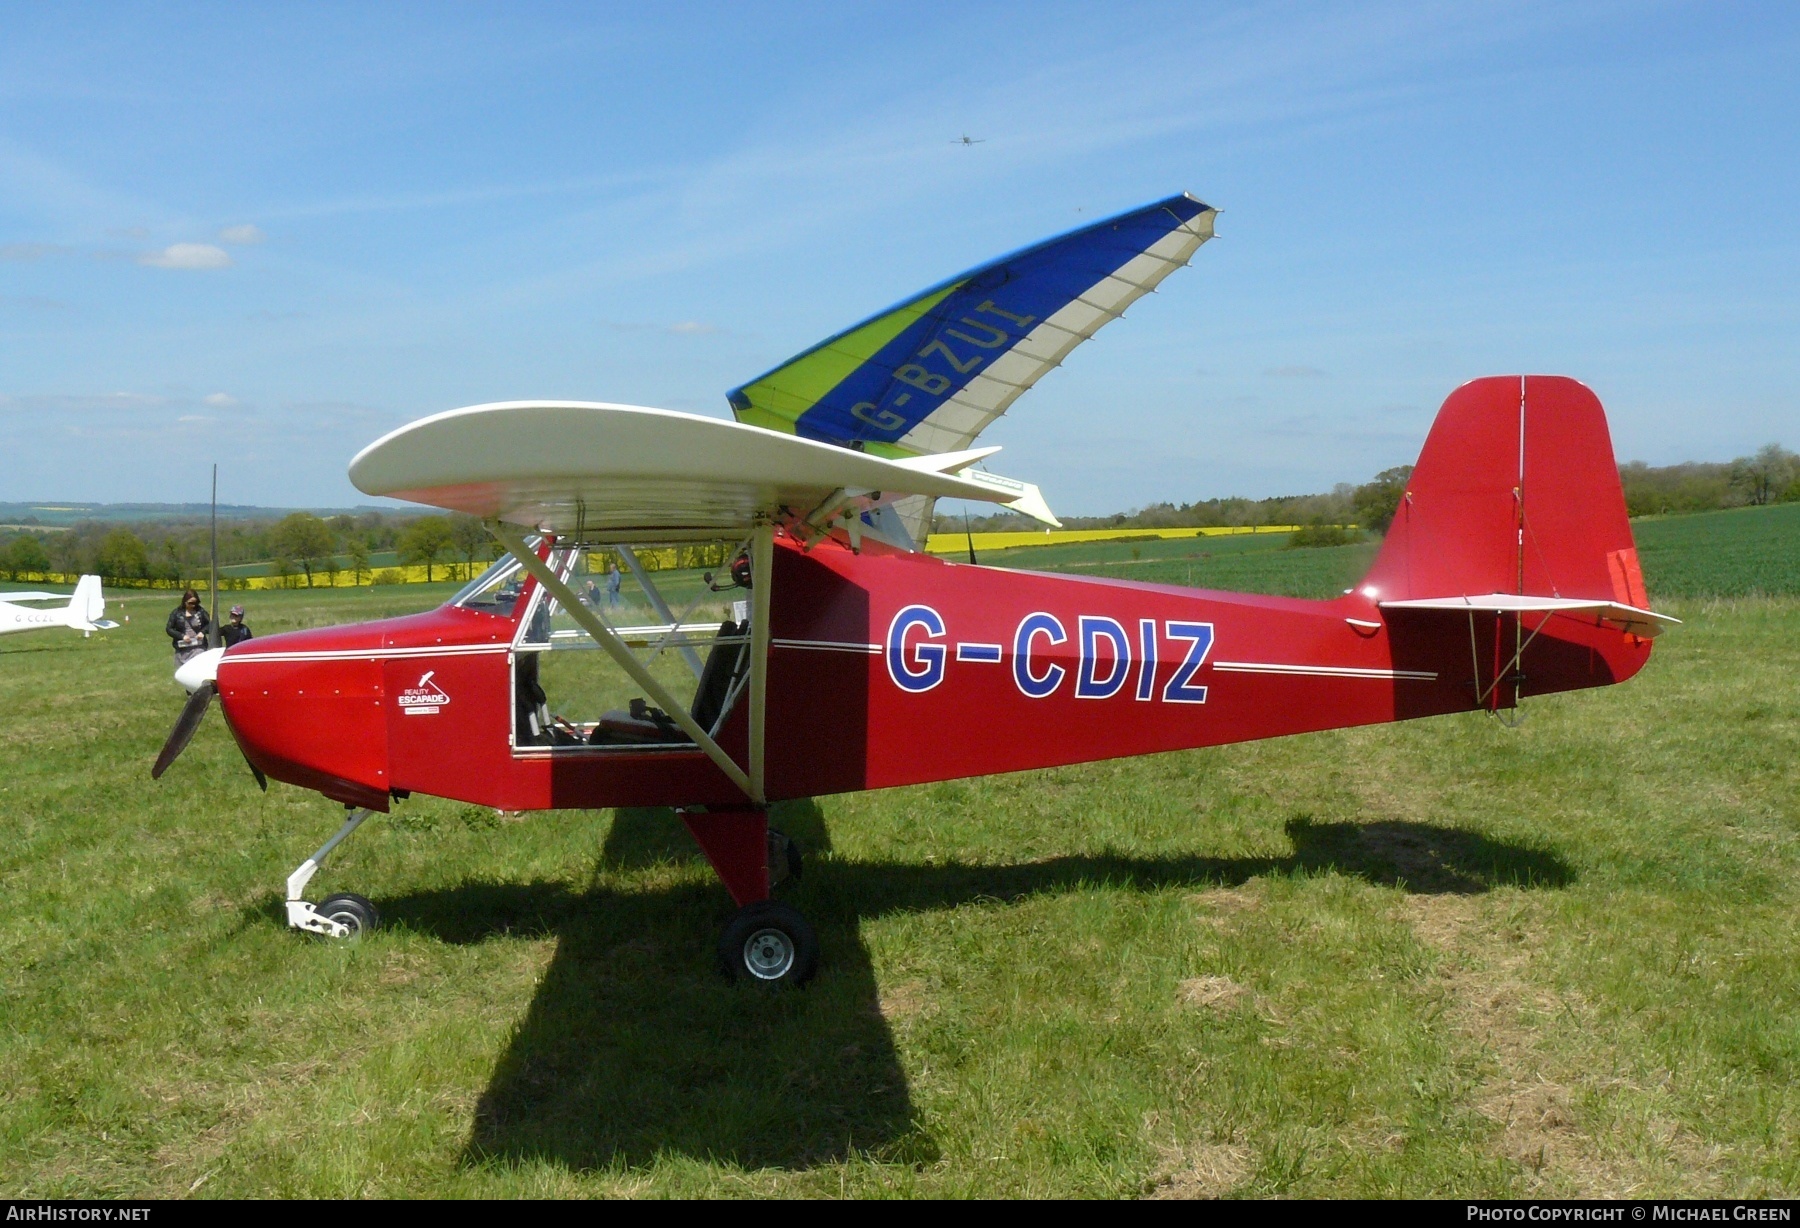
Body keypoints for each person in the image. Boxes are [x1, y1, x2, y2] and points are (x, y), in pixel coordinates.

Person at [166, 588, 210, 663]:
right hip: (182, 648)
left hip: (198, 647)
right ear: (185, 601)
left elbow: (211, 623)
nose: (193, 605)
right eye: (190, 603)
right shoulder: (176, 613)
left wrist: (203, 632)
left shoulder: (200, 611)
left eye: (195, 603)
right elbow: (169, 629)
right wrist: (182, 636)